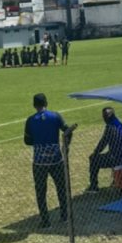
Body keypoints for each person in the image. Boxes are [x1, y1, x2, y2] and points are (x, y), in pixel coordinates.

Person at [24, 93, 76, 227]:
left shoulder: (30, 120)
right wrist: (66, 147)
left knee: (41, 191)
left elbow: (27, 141)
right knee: (61, 187)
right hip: (56, 159)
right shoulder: (55, 116)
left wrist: (38, 141)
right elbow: (68, 131)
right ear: (46, 103)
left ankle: (45, 220)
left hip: (39, 161)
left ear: (34, 105)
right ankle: (64, 215)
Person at [86, 107, 122, 192]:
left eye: (104, 116)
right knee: (110, 154)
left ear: (107, 117)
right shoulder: (120, 125)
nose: (103, 118)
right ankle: (115, 180)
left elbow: (102, 143)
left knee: (93, 159)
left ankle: (94, 186)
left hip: (118, 159)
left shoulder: (110, 127)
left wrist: (95, 153)